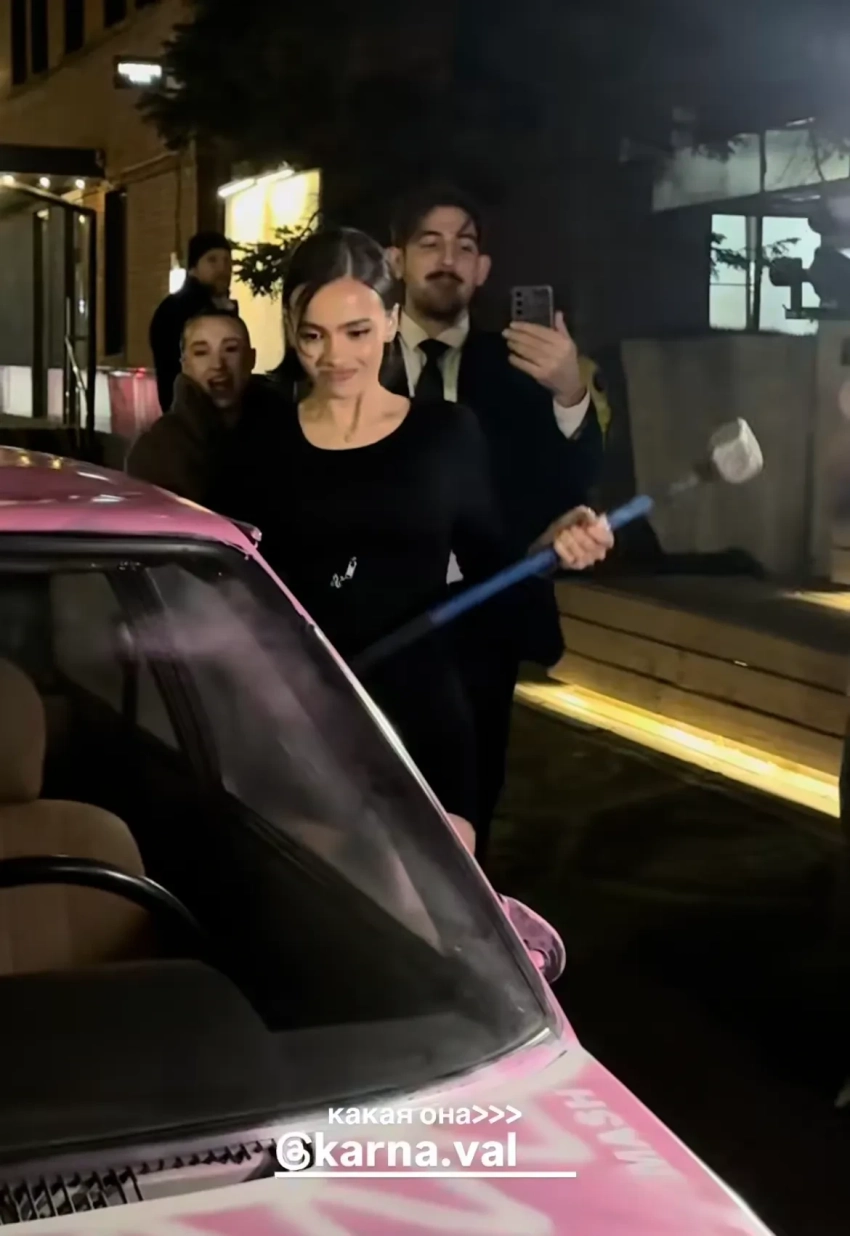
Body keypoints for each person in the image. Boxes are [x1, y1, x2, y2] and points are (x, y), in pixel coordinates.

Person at [248, 226, 613, 852]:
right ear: (291, 328)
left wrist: (547, 550)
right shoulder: (260, 444)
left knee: (432, 904)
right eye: (313, 335)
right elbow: (235, 594)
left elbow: (490, 571)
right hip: (298, 720)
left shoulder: (444, 435)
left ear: (392, 321)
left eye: (356, 332)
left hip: (422, 718)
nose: (335, 356)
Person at [385, 184, 605, 857]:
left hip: (483, 622)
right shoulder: (361, 359)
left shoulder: (518, 370)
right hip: (376, 621)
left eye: (465, 246)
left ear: (482, 270)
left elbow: (571, 477)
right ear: (396, 260)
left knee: (470, 810)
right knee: (373, 806)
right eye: (430, 242)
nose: (448, 258)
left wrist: (570, 390)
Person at [127, 312, 284, 518]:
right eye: (201, 352)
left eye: (231, 349)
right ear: (185, 364)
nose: (218, 365)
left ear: (251, 359)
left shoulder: (286, 431)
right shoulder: (157, 448)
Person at [149, 231, 237, 414]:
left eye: (227, 261)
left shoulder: (218, 306)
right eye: (212, 260)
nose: (222, 268)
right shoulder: (177, 309)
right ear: (193, 267)